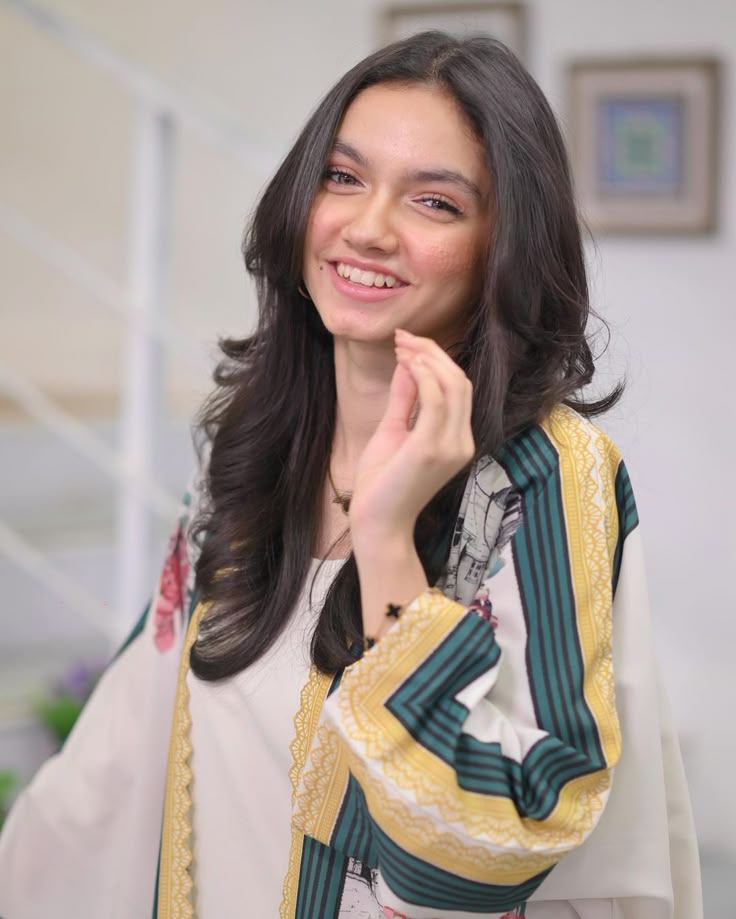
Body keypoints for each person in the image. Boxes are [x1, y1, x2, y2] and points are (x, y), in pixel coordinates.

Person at [0, 31, 701, 919]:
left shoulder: (545, 475)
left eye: (436, 203)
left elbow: (489, 845)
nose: (367, 227)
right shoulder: (255, 443)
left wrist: (386, 534)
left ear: (503, 245)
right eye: (342, 177)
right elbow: (123, 745)